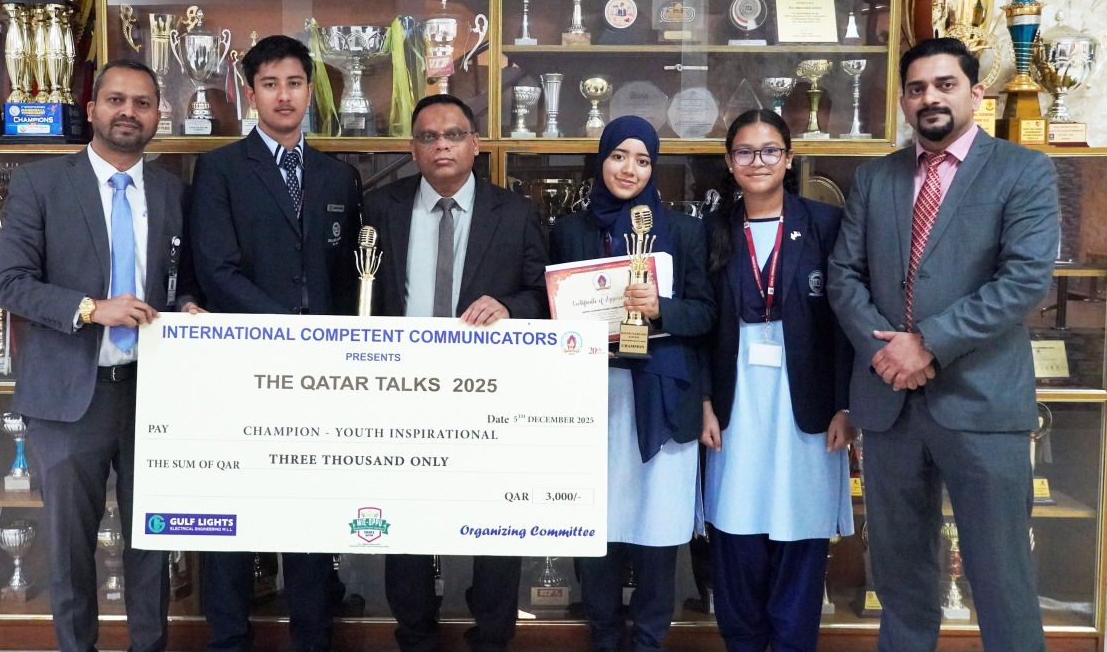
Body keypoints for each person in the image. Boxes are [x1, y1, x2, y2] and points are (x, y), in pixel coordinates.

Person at [827, 37, 1058, 652]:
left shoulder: (1022, 170)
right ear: (903, 101)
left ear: (976, 92)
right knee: (901, 580)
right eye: (917, 88)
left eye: (945, 84)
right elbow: (844, 276)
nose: (930, 97)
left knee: (1001, 580)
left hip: (981, 405)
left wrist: (926, 343)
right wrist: (887, 353)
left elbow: (1026, 280)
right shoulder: (876, 178)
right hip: (890, 408)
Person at [0, 59, 200, 652]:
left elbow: (179, 278)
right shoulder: (40, 184)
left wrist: (187, 304)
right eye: (116, 100)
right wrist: (91, 307)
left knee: (152, 541)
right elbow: (8, 283)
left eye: (141, 102)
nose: (128, 112)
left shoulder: (169, 189)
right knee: (69, 549)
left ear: (159, 114)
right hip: (67, 397)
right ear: (92, 109)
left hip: (153, 395)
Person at [189, 34, 361, 652]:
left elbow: (347, 276)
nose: (283, 96)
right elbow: (215, 269)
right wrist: (290, 325)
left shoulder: (339, 174)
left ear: (309, 92)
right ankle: (229, 638)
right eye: (270, 84)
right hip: (242, 366)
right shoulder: (220, 168)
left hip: (322, 374)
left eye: (294, 83)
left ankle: (313, 635)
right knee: (235, 511)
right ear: (251, 92)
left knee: (311, 510)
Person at [362, 93, 549, 652]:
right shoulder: (380, 208)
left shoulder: (513, 212)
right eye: (427, 137)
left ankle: (492, 633)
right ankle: (415, 633)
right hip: (401, 390)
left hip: (487, 395)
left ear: (475, 144)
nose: (441, 145)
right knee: (407, 523)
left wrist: (511, 307)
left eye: (453, 135)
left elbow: (545, 292)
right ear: (412, 148)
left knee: (495, 521)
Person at [550, 115, 716, 652]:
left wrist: (660, 310)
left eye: (643, 159)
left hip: (662, 397)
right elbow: (552, 311)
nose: (630, 169)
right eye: (619, 155)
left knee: (654, 531)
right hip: (592, 397)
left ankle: (648, 640)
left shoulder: (686, 231)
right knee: (594, 523)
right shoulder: (571, 230)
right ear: (600, 159)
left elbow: (706, 315)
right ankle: (602, 635)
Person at [700, 108, 853, 652]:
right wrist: (702, 401)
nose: (757, 161)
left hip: (806, 398)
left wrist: (845, 406)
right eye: (745, 151)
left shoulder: (826, 225)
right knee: (736, 528)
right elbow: (697, 325)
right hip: (734, 397)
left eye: (770, 151)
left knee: (799, 525)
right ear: (729, 161)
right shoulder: (710, 231)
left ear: (789, 159)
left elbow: (845, 322)